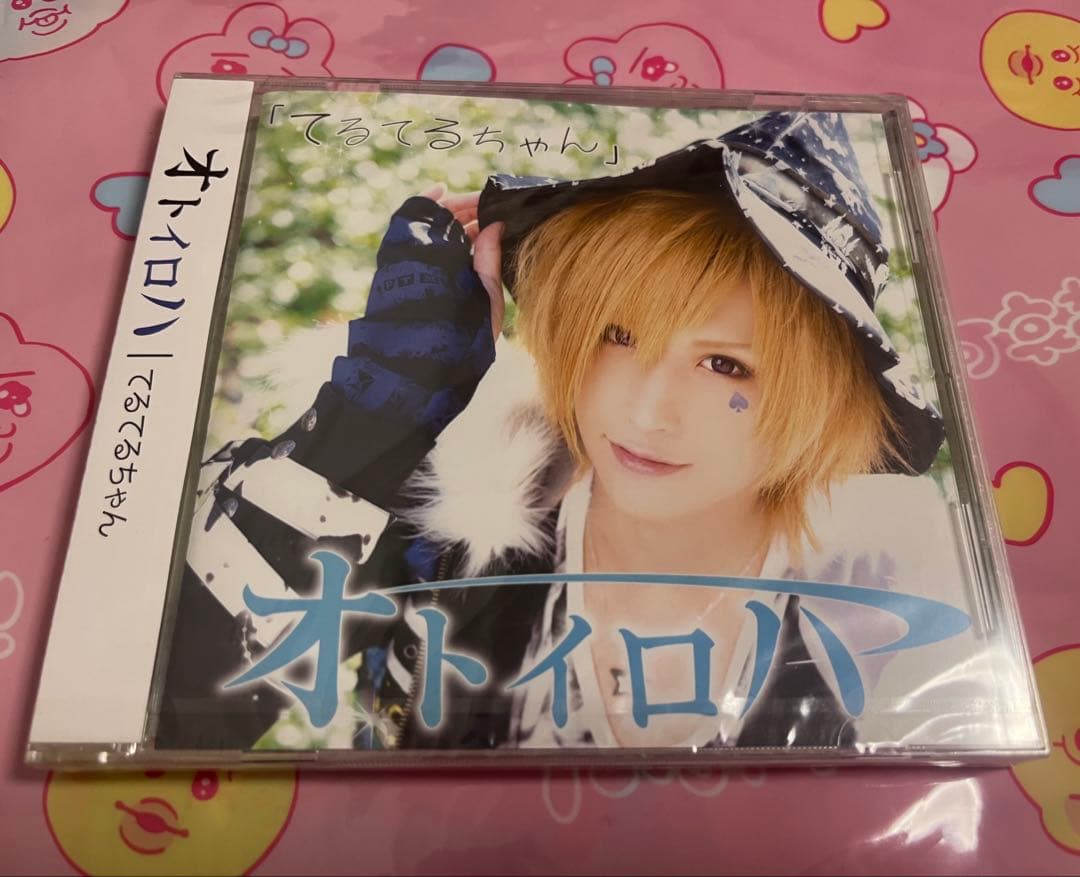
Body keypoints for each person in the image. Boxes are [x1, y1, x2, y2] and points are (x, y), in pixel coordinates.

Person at [155, 111, 956, 753]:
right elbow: (160, 719)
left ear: (822, 398)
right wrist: (373, 423)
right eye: (617, 334)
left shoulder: (877, 605)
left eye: (726, 366)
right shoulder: (450, 528)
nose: (647, 412)